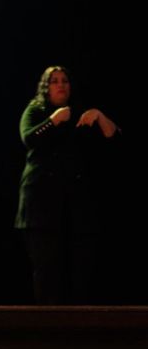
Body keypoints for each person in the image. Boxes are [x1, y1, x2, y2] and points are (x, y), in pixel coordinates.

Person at [16, 65, 118, 305]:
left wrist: (99, 115)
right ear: (46, 87)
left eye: (64, 80)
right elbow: (28, 138)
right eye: (54, 81)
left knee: (81, 269)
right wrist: (52, 121)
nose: (61, 85)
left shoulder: (79, 111)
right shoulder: (36, 109)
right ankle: (48, 323)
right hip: (41, 205)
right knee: (47, 270)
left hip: (74, 205)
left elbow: (114, 137)